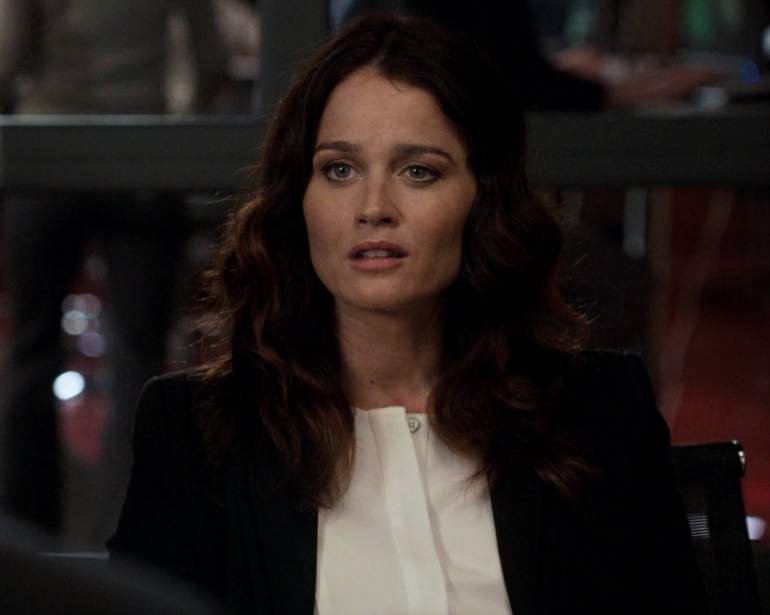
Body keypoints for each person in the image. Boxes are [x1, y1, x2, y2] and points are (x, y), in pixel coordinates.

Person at [109, 14, 706, 614]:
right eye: (339, 169)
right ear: (298, 200)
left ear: (483, 199)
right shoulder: (196, 434)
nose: (373, 207)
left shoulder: (601, 413)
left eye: (418, 171)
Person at [0, 0, 227, 541]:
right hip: (144, 149)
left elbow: (7, 53)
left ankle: (23, 541)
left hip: (47, 144)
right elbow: (211, 57)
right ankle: (127, 540)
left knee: (30, 350)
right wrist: (177, 126)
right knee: (138, 360)